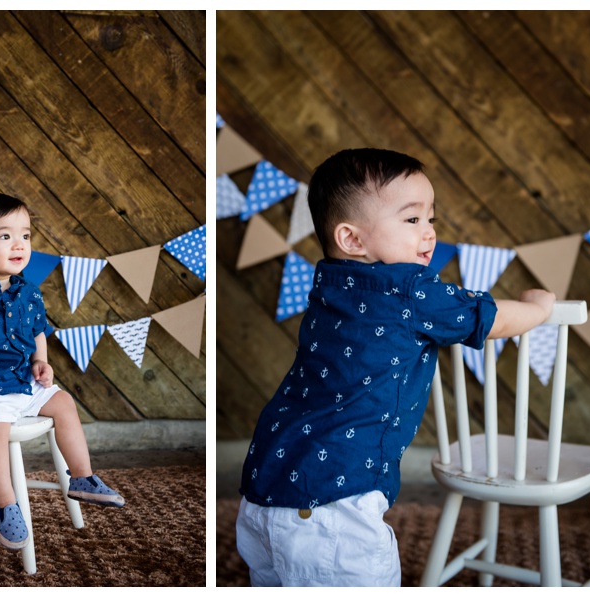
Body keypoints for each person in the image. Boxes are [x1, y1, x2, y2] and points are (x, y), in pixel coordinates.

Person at [235, 148, 555, 586]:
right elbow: (491, 317)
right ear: (352, 239)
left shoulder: (329, 283)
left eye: (431, 219)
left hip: (264, 486)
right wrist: (537, 309)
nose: (429, 234)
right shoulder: (409, 289)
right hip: (336, 502)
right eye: (412, 220)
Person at [0, 193, 124, 551]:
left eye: (25, 235)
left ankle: (82, 478)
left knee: (64, 403)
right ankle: (4, 502)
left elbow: (38, 331)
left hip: (22, 383)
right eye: (5, 236)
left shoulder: (27, 291)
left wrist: (40, 362)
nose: (19, 244)